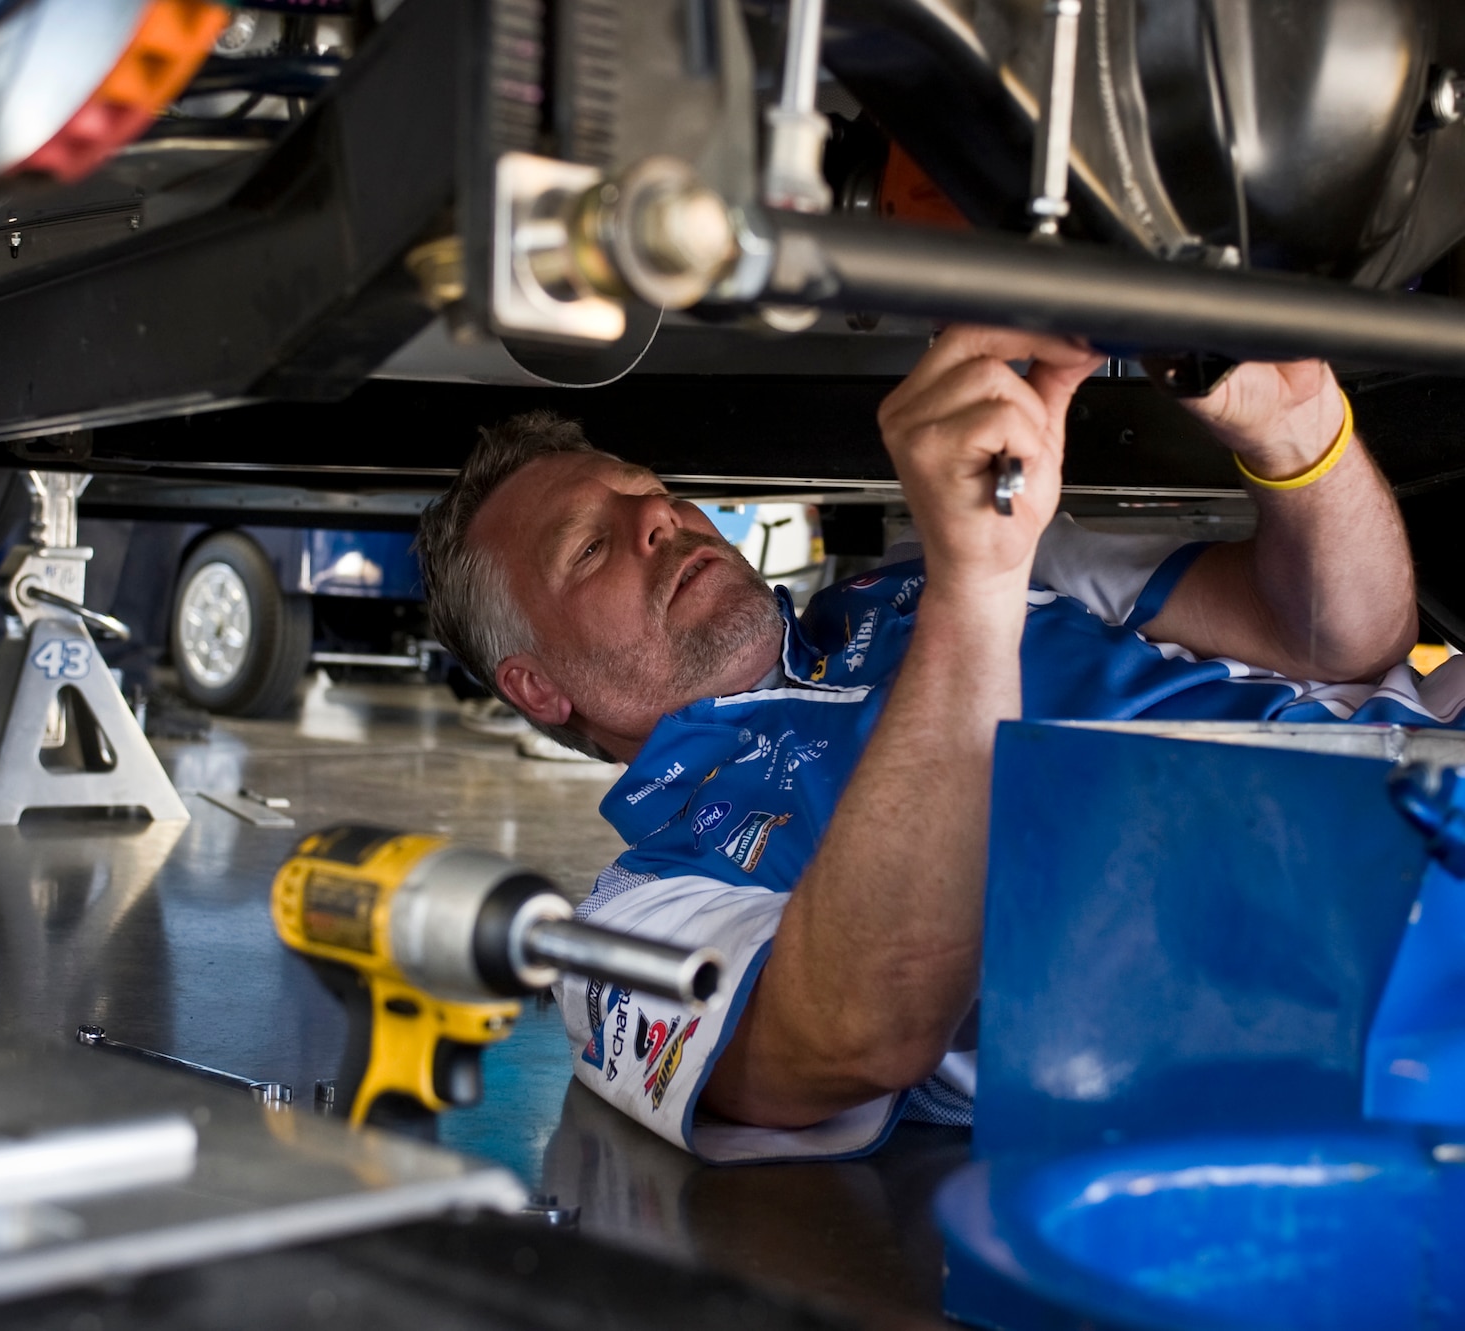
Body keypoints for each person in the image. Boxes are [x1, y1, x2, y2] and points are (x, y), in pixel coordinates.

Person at [414, 324, 1457, 1162]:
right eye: (589, 543)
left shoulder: (930, 570)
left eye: (651, 489)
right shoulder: (627, 923)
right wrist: (976, 585)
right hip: (1383, 1039)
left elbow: (1341, 639)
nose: (659, 520)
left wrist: (1298, 431)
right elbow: (853, 1032)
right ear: (535, 685)